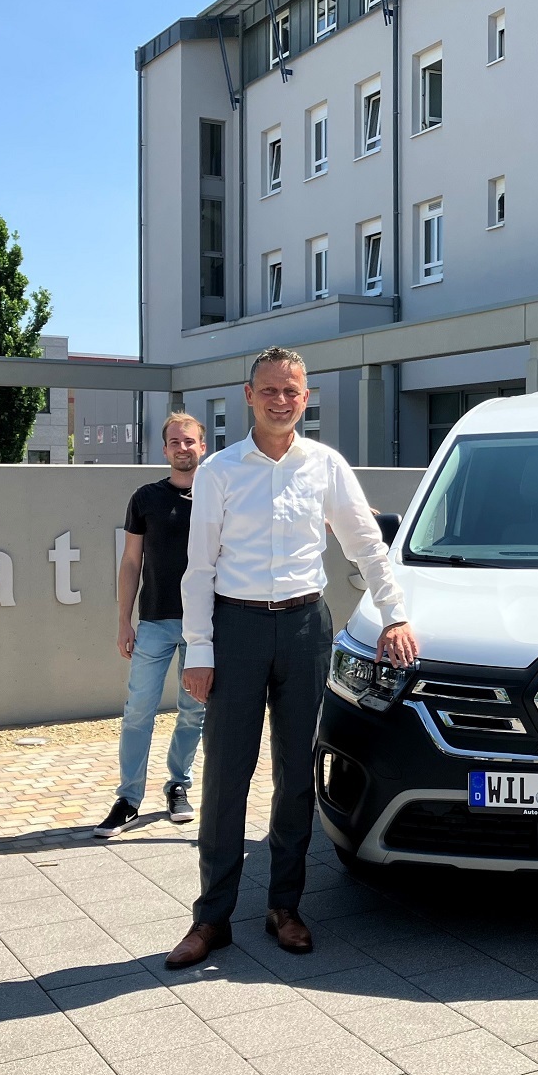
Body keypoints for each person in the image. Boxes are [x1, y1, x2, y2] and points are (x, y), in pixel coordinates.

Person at [165, 347, 418, 966]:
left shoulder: (325, 465)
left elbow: (366, 546)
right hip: (236, 630)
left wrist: (396, 615)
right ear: (249, 395)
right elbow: (198, 571)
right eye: (271, 390)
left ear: (306, 399)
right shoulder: (220, 472)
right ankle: (212, 918)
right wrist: (199, 650)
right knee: (227, 773)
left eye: (294, 392)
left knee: (295, 774)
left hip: (306, 627)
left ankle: (285, 905)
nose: (283, 400)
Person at [94, 412, 209, 839]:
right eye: (175, 442)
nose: (183, 448)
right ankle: (128, 799)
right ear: (165, 450)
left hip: (204, 624)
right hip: (156, 621)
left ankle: (179, 785)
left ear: (203, 447)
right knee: (138, 711)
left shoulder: (218, 496)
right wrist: (124, 621)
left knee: (193, 711)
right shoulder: (145, 498)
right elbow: (130, 562)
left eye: (190, 441)